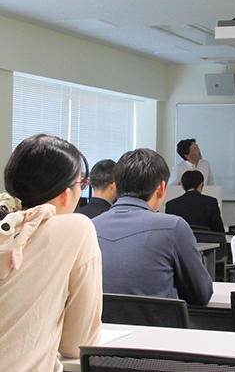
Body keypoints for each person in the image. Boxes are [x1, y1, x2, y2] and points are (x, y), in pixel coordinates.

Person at [0, 134, 102, 372]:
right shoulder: (75, 228)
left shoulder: (7, 225)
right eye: (81, 185)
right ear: (66, 193)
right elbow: (78, 343)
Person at [92, 148, 213, 305]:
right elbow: (200, 294)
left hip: (103, 329)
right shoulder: (173, 227)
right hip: (156, 328)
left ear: (116, 185)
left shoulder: (89, 227)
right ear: (161, 188)